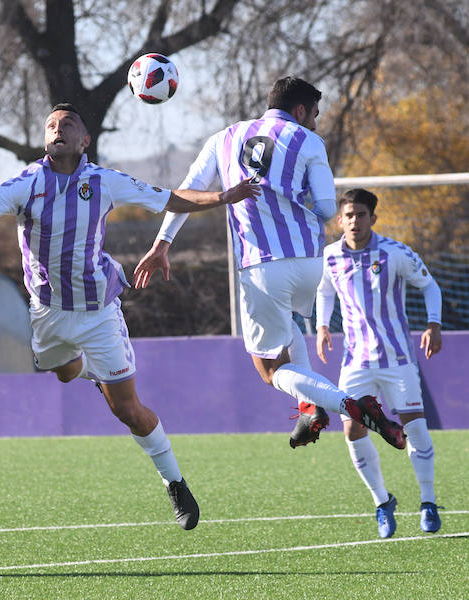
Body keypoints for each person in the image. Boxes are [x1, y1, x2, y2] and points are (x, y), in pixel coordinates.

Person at [0, 102, 260, 530]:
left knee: (128, 411)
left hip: (99, 311)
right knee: (65, 373)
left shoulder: (102, 181)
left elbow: (168, 198)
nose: (57, 129)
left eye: (68, 123)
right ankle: (89, 369)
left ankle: (175, 482)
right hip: (47, 311)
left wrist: (222, 196)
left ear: (85, 140)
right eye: (50, 124)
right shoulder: (27, 183)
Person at [133, 76, 406, 451]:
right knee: (291, 323)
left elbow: (186, 191)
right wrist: (296, 199)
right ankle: (310, 407)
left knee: (269, 370)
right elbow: (328, 209)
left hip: (262, 266)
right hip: (309, 264)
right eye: (314, 114)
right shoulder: (309, 141)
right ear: (299, 111)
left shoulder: (224, 138)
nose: (315, 122)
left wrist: (162, 243)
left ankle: (352, 405)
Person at [315, 188, 443, 537]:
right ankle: (382, 502)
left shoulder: (395, 253)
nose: (355, 221)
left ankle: (428, 502)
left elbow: (430, 286)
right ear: (339, 220)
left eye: (361, 214)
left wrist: (434, 324)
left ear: (374, 218)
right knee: (352, 429)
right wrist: (322, 325)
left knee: (414, 428)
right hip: (356, 361)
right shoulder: (328, 257)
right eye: (349, 215)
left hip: (398, 358)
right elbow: (324, 290)